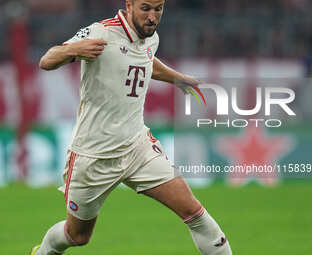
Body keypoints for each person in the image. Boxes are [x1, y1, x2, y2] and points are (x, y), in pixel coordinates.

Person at [31, 0, 232, 254]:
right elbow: (46, 61)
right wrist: (75, 49)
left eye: (158, 9)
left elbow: (145, 60)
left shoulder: (151, 38)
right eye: (145, 8)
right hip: (94, 156)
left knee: (194, 212)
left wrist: (178, 78)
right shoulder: (101, 32)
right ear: (129, 5)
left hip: (137, 148)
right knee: (77, 236)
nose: (152, 17)